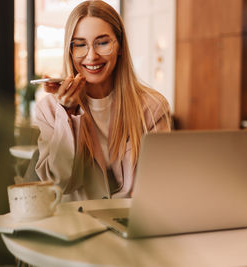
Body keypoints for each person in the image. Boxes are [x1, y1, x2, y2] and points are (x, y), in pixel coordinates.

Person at [34, 0, 171, 201]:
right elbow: (60, 184)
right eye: (80, 45)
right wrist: (67, 114)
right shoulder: (49, 110)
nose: (91, 56)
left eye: (103, 43)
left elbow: (161, 184)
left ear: (120, 46)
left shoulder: (153, 108)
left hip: (132, 223)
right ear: (70, 51)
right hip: (74, 226)